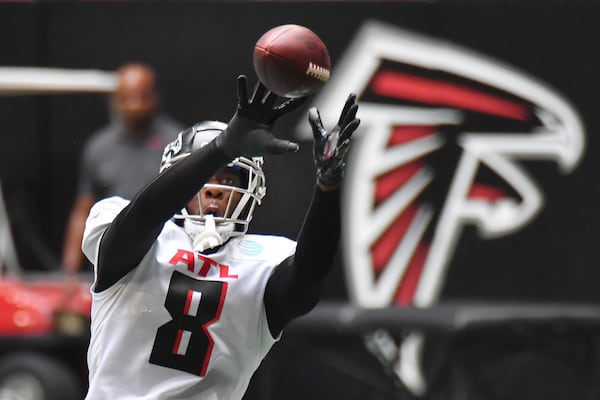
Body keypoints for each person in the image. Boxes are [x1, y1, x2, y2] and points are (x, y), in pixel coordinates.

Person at [81, 74, 360, 399]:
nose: (214, 188)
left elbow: (309, 276)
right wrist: (222, 148)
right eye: (206, 176)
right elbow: (139, 221)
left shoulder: (264, 260)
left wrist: (328, 187)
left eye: (229, 177)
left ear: (252, 189)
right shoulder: (129, 225)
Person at [62, 62, 183, 276]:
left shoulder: (177, 142)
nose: (134, 106)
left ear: (154, 97)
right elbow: (83, 209)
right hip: (111, 261)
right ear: (115, 101)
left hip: (164, 258)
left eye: (141, 97)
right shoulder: (99, 147)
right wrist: (69, 272)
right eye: (127, 98)